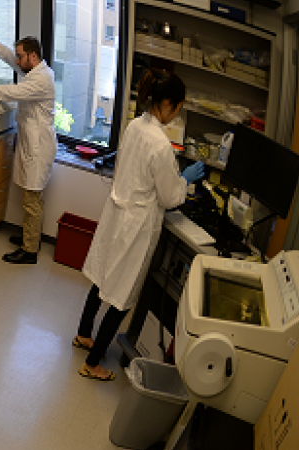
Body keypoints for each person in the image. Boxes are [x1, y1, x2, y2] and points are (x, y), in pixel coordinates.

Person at [74, 68, 205, 380]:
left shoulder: (135, 125)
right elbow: (171, 197)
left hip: (118, 214)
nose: (177, 114)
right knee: (121, 297)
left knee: (101, 280)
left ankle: (83, 334)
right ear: (169, 103)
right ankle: (92, 363)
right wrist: (183, 181)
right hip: (135, 226)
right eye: (179, 108)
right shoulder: (161, 145)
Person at [0, 30, 57, 264]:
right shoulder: (37, 70)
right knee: (30, 197)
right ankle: (29, 237)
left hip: (38, 145)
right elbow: (13, 60)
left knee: (32, 200)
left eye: (21, 57)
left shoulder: (41, 79)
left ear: (33, 57)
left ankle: (30, 250)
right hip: (32, 141)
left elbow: (15, 92)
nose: (17, 60)